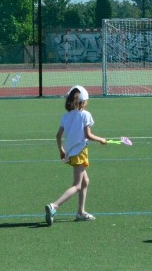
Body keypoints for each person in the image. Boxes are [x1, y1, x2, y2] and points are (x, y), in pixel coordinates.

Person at [44, 85, 106, 225]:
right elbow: (88, 135)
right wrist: (101, 139)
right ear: (83, 101)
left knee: (85, 182)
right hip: (80, 152)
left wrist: (61, 150)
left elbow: (58, 135)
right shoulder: (85, 114)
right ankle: (54, 206)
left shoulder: (66, 116)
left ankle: (80, 212)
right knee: (77, 185)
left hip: (71, 153)